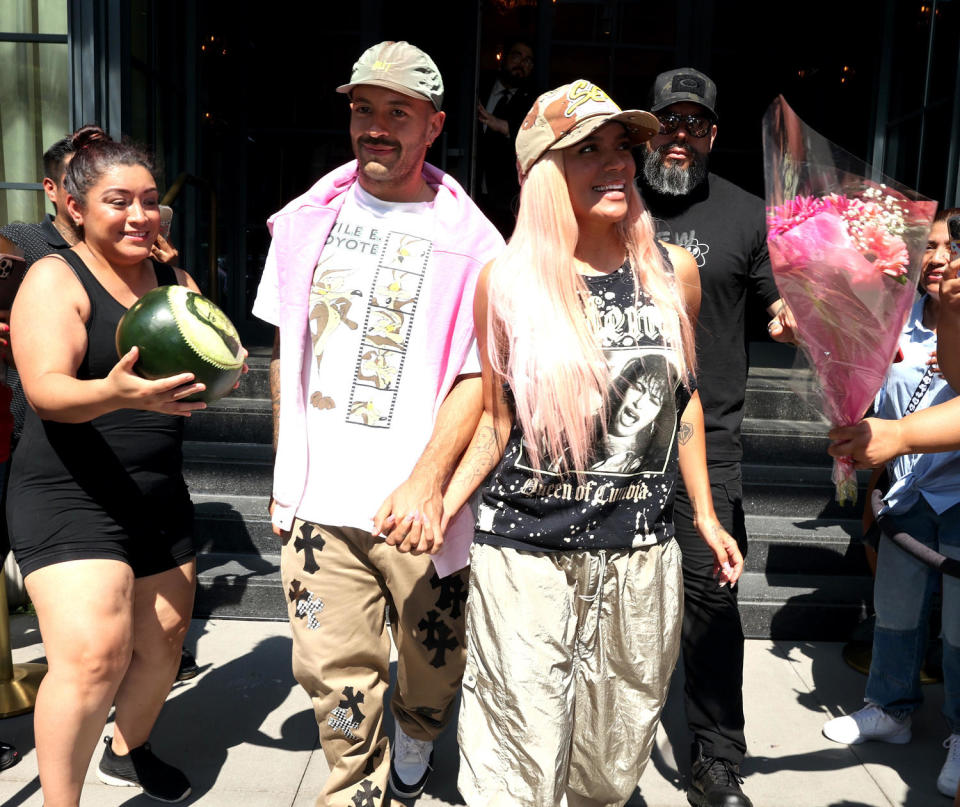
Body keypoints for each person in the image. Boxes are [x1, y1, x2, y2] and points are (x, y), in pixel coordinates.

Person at [414, 79, 744, 807]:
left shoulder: (672, 275)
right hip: (525, 556)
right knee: (514, 764)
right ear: (540, 175)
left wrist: (707, 514)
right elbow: (497, 421)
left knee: (607, 768)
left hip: (638, 558)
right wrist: (440, 498)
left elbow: (679, 409)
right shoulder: (504, 283)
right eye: (587, 149)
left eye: (623, 145)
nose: (618, 162)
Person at [251, 41, 503, 807]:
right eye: (364, 108)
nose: (377, 126)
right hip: (321, 509)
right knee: (337, 684)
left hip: (420, 516)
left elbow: (477, 378)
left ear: (434, 125)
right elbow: (283, 356)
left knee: (432, 672)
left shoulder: (476, 244)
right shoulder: (304, 223)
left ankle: (418, 743)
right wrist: (282, 474)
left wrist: (428, 486)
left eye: (398, 111)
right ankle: (355, 790)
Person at [6, 125, 207, 806]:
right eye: (118, 201)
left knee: (166, 643)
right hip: (69, 490)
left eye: (150, 201)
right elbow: (47, 390)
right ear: (76, 208)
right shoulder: (55, 277)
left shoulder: (176, 278)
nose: (139, 215)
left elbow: (207, 356)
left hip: (155, 491)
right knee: (93, 657)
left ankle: (128, 748)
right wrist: (116, 393)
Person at [636, 67, 795, 807]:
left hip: (712, 441)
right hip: (614, 448)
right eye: (668, 119)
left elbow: (780, 304)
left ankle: (716, 756)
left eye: (694, 123)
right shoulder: (611, 197)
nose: (679, 134)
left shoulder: (746, 214)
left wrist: (795, 314)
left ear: (713, 135)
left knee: (713, 602)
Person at [823, 209, 960, 799]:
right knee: (897, 611)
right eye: (929, 246)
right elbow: (865, 380)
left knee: (958, 629)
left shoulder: (952, 323)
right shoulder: (897, 316)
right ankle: (890, 709)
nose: (937, 258)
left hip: (956, 493)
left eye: (950, 247)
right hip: (907, 487)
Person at [476, 38, 536, 236]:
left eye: (528, 60)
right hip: (469, 183)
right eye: (517, 56)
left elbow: (535, 141)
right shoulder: (478, 85)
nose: (521, 64)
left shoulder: (533, 101)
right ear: (503, 58)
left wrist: (506, 127)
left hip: (504, 198)